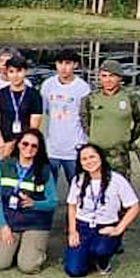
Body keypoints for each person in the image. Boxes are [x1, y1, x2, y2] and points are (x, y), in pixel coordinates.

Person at [64, 144, 140, 277]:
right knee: (74, 270)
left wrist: (118, 229)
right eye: (84, 159)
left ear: (100, 157)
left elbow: (134, 206)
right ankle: (84, 254)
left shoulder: (116, 179)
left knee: (100, 250)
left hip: (106, 226)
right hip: (83, 226)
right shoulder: (78, 180)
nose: (89, 161)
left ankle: (103, 261)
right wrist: (72, 231)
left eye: (92, 156)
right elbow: (72, 206)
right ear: (80, 163)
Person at [0, 129, 57, 274]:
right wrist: (3, 226)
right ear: (18, 145)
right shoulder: (4, 165)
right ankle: (19, 246)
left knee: (28, 266)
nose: (29, 148)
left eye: (34, 146)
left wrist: (35, 203)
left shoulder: (45, 170)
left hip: (35, 222)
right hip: (11, 221)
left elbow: (53, 202)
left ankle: (33, 247)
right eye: (25, 144)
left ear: (39, 149)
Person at [79, 60, 140, 180]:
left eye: (112, 76)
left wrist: (130, 137)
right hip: (96, 153)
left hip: (120, 154)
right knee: (95, 186)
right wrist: (94, 135)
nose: (108, 80)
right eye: (104, 76)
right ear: (99, 77)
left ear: (119, 77)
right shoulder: (90, 98)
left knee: (121, 187)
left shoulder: (132, 97)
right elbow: (84, 119)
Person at [40, 49, 91, 183]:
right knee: (48, 187)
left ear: (75, 65)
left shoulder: (83, 88)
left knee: (77, 186)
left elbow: (86, 116)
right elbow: (44, 111)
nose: (63, 67)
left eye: (68, 63)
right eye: (60, 63)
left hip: (75, 148)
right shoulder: (47, 85)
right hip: (52, 148)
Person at [0, 55, 42, 152]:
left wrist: (14, 144)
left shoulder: (34, 95)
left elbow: (33, 126)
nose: (15, 75)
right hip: (2, 146)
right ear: (7, 73)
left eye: (19, 71)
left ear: (25, 71)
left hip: (24, 147)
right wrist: (2, 145)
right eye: (11, 72)